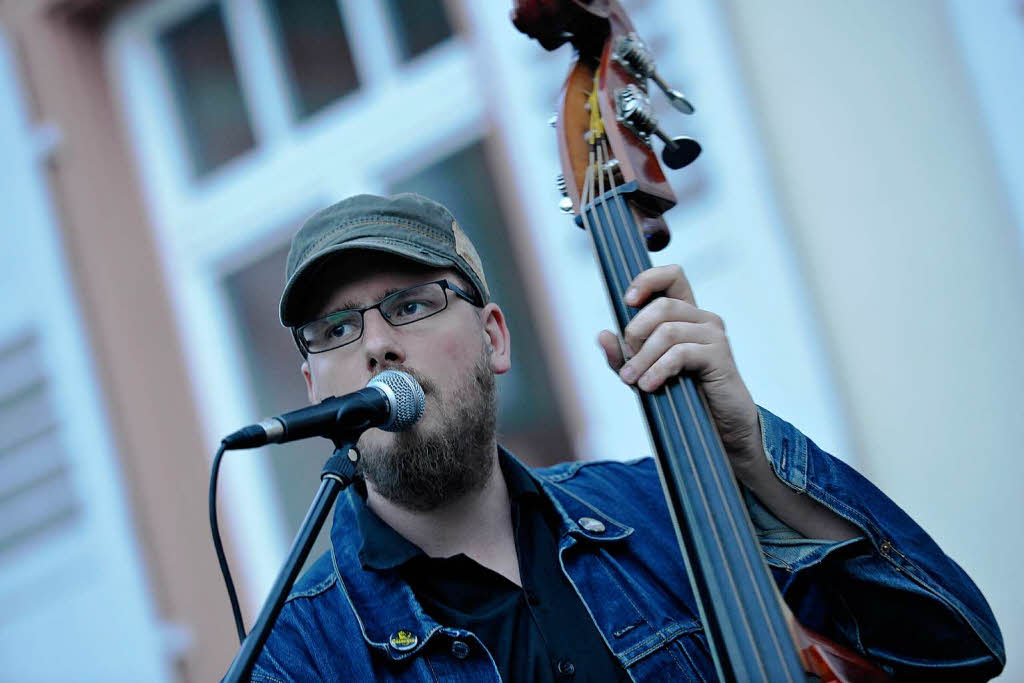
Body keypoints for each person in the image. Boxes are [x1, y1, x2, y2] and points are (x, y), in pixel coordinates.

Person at [251, 193, 1003, 681]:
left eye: (411, 305)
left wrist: (748, 454)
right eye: (336, 329)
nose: (377, 344)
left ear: (493, 338)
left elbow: (957, 649)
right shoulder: (297, 655)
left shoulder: (663, 510)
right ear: (316, 386)